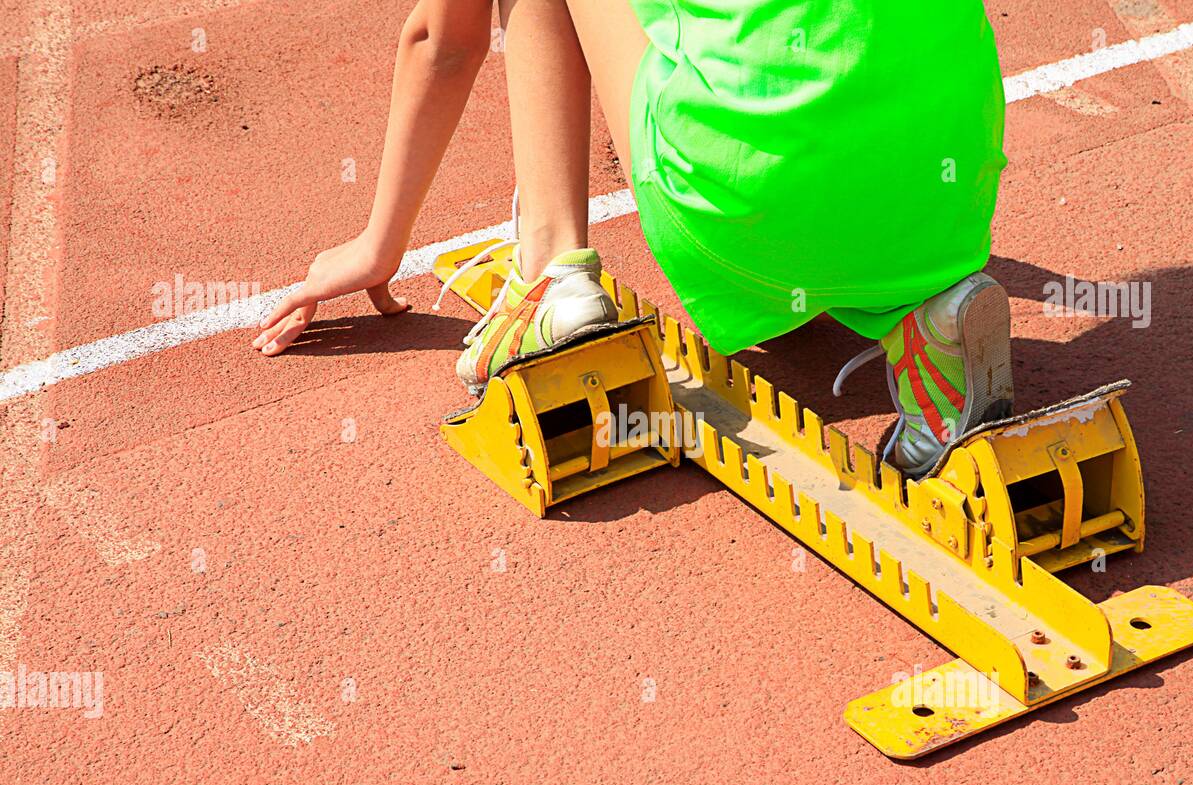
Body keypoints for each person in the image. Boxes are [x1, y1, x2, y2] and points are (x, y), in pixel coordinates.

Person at [253, 1, 1012, 475]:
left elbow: (443, 42)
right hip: (953, 181)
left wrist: (378, 244)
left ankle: (552, 272)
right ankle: (922, 318)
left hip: (748, 195)